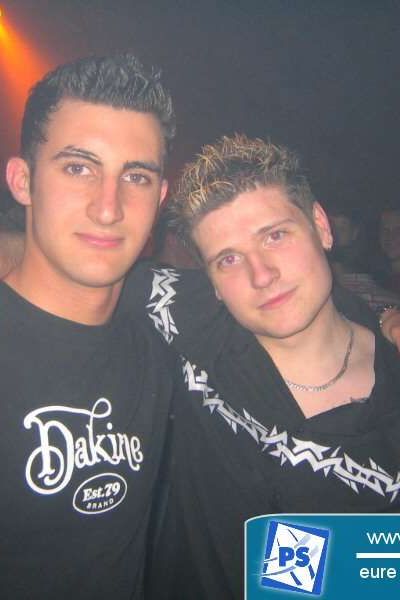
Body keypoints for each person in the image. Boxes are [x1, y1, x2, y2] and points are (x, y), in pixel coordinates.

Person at [134, 135, 400, 599]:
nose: (261, 275)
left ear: (321, 225)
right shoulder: (190, 322)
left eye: (275, 236)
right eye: (228, 259)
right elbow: (47, 260)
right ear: (212, 284)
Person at [0, 53, 176, 599]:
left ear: (160, 199)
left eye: (136, 177)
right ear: (23, 180)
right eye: (79, 167)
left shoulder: (166, 343)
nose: (108, 208)